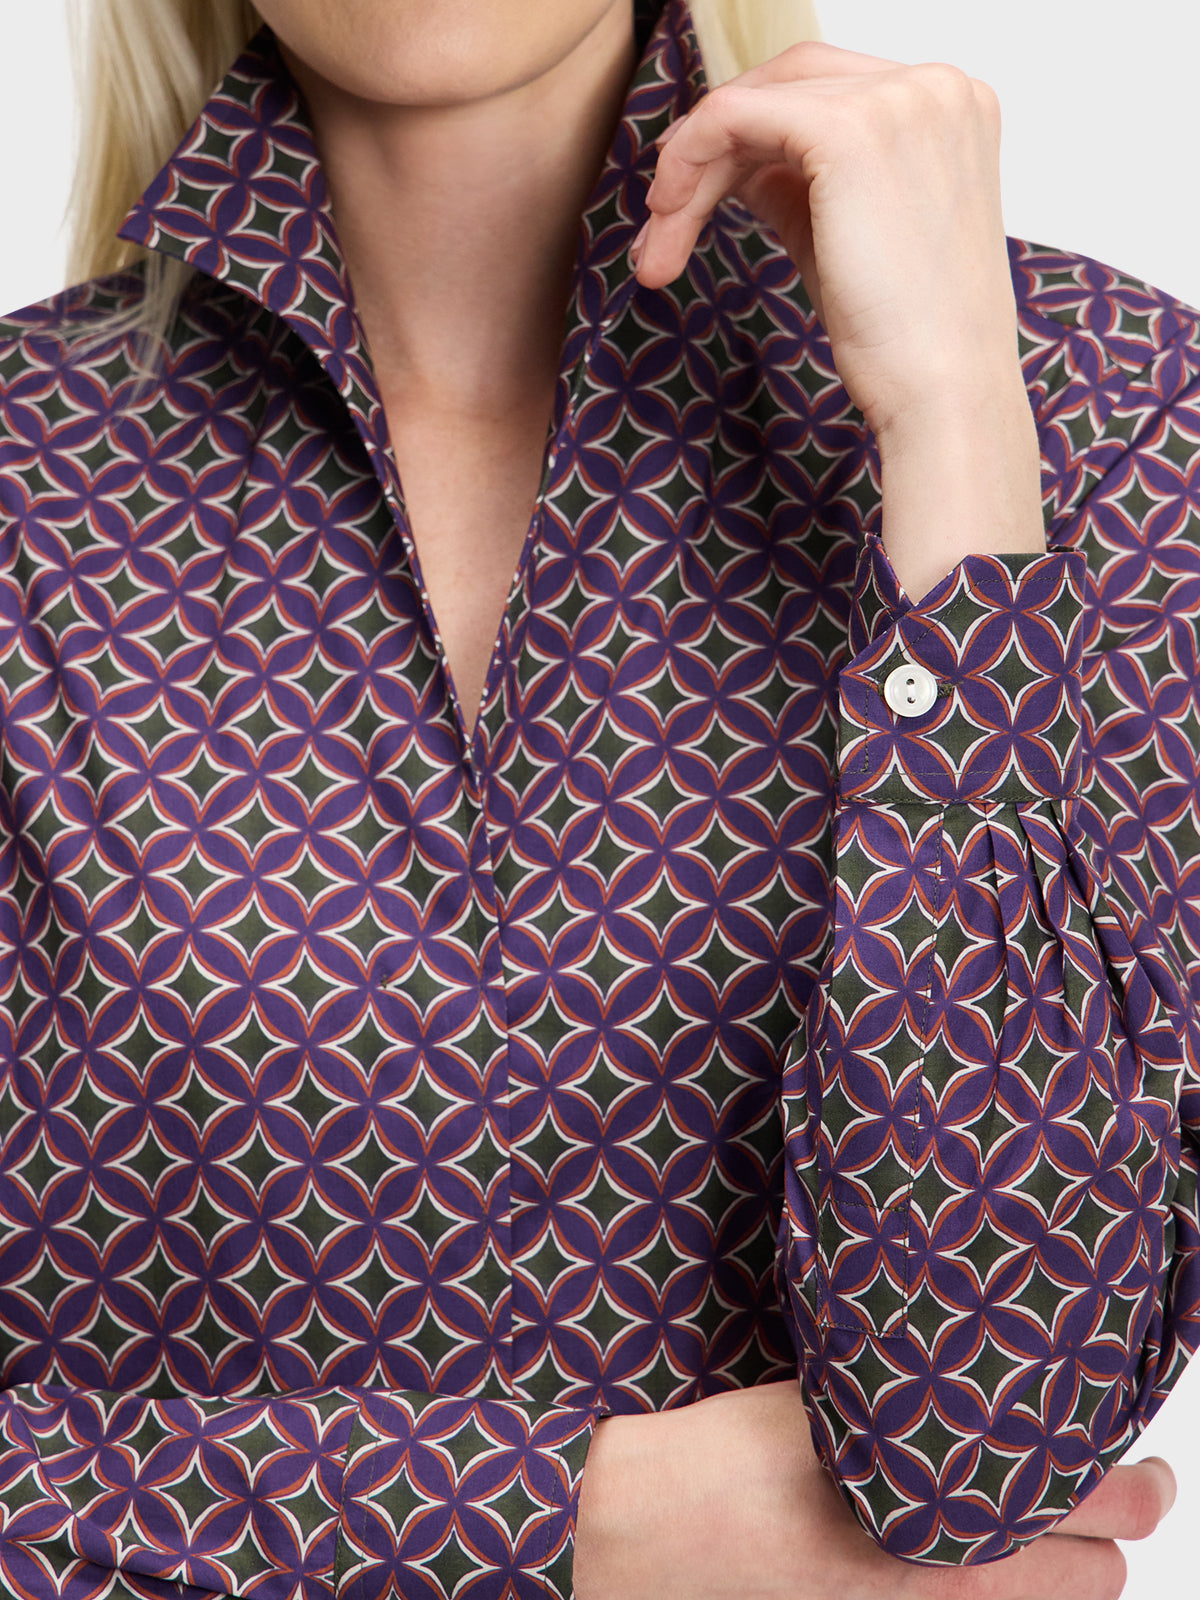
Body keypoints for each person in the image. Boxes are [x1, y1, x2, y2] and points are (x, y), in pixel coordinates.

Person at [0, 0, 1194, 1595]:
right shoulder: (25, 480)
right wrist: (570, 1527)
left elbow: (980, 1439)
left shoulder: (1113, 415)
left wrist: (959, 432)